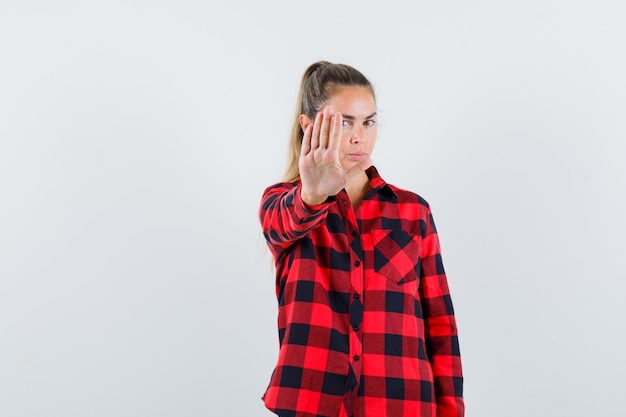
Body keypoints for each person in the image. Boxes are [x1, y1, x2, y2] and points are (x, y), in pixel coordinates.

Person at [259, 61, 464, 417]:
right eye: (344, 122)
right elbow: (282, 227)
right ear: (309, 126)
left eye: (368, 121)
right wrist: (312, 194)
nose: (360, 136)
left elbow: (441, 325)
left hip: (402, 404)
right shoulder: (283, 203)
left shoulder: (412, 212)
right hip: (313, 404)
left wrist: (450, 410)